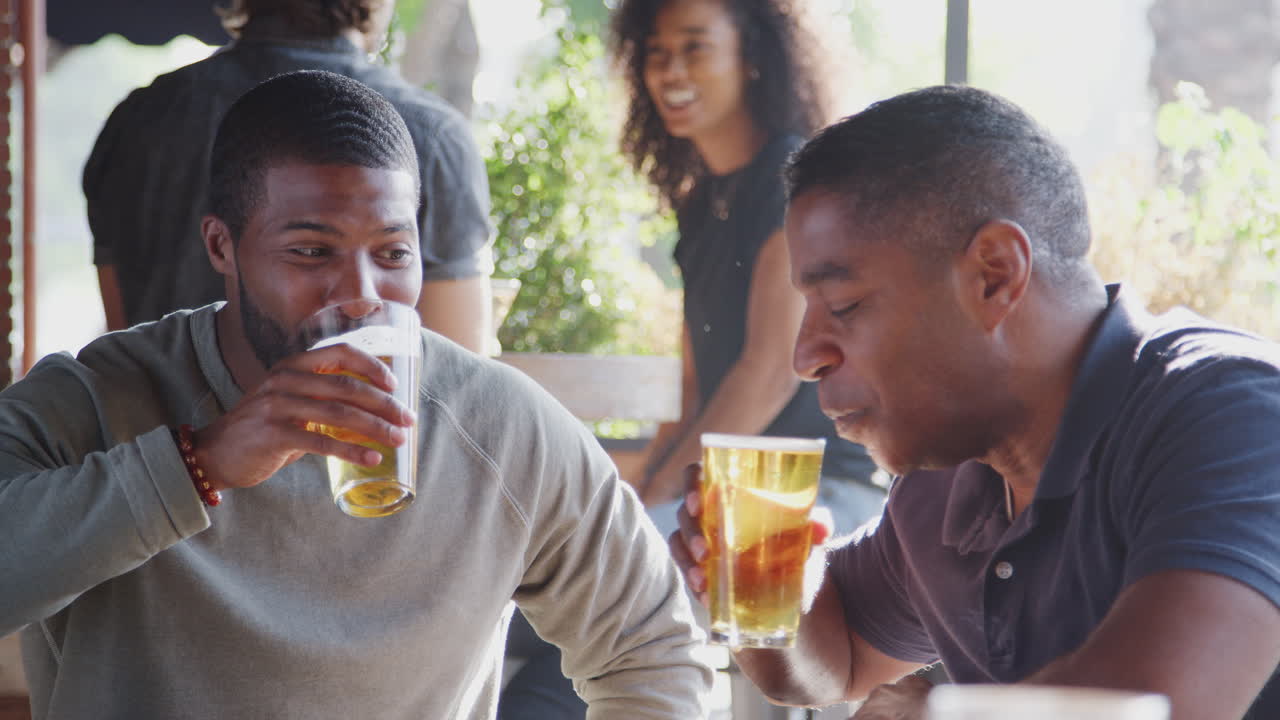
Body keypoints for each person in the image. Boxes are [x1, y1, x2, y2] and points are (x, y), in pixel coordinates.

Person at [1, 70, 713, 719]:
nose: (363, 296)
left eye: (393, 253)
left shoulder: (498, 427)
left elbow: (653, 654)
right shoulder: (92, 401)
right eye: (312, 252)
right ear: (222, 247)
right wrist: (202, 463)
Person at [668, 84, 1280, 720]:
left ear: (994, 274)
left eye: (844, 306)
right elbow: (841, 654)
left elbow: (1152, 706)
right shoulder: (947, 475)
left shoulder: (1233, 412)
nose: (805, 356)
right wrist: (765, 590)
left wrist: (939, 710)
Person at [84, 0, 494, 353]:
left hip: (157, 441)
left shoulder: (138, 122)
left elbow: (126, 345)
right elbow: (454, 374)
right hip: (361, 441)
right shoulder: (433, 135)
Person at [608, 0, 881, 530]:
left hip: (819, 490)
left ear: (751, 57)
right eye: (657, 52)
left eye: (695, 47)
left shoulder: (791, 176)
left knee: (620, 580)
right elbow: (693, 391)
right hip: (733, 487)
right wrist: (642, 488)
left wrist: (666, 492)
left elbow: (769, 372)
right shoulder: (700, 204)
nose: (671, 70)